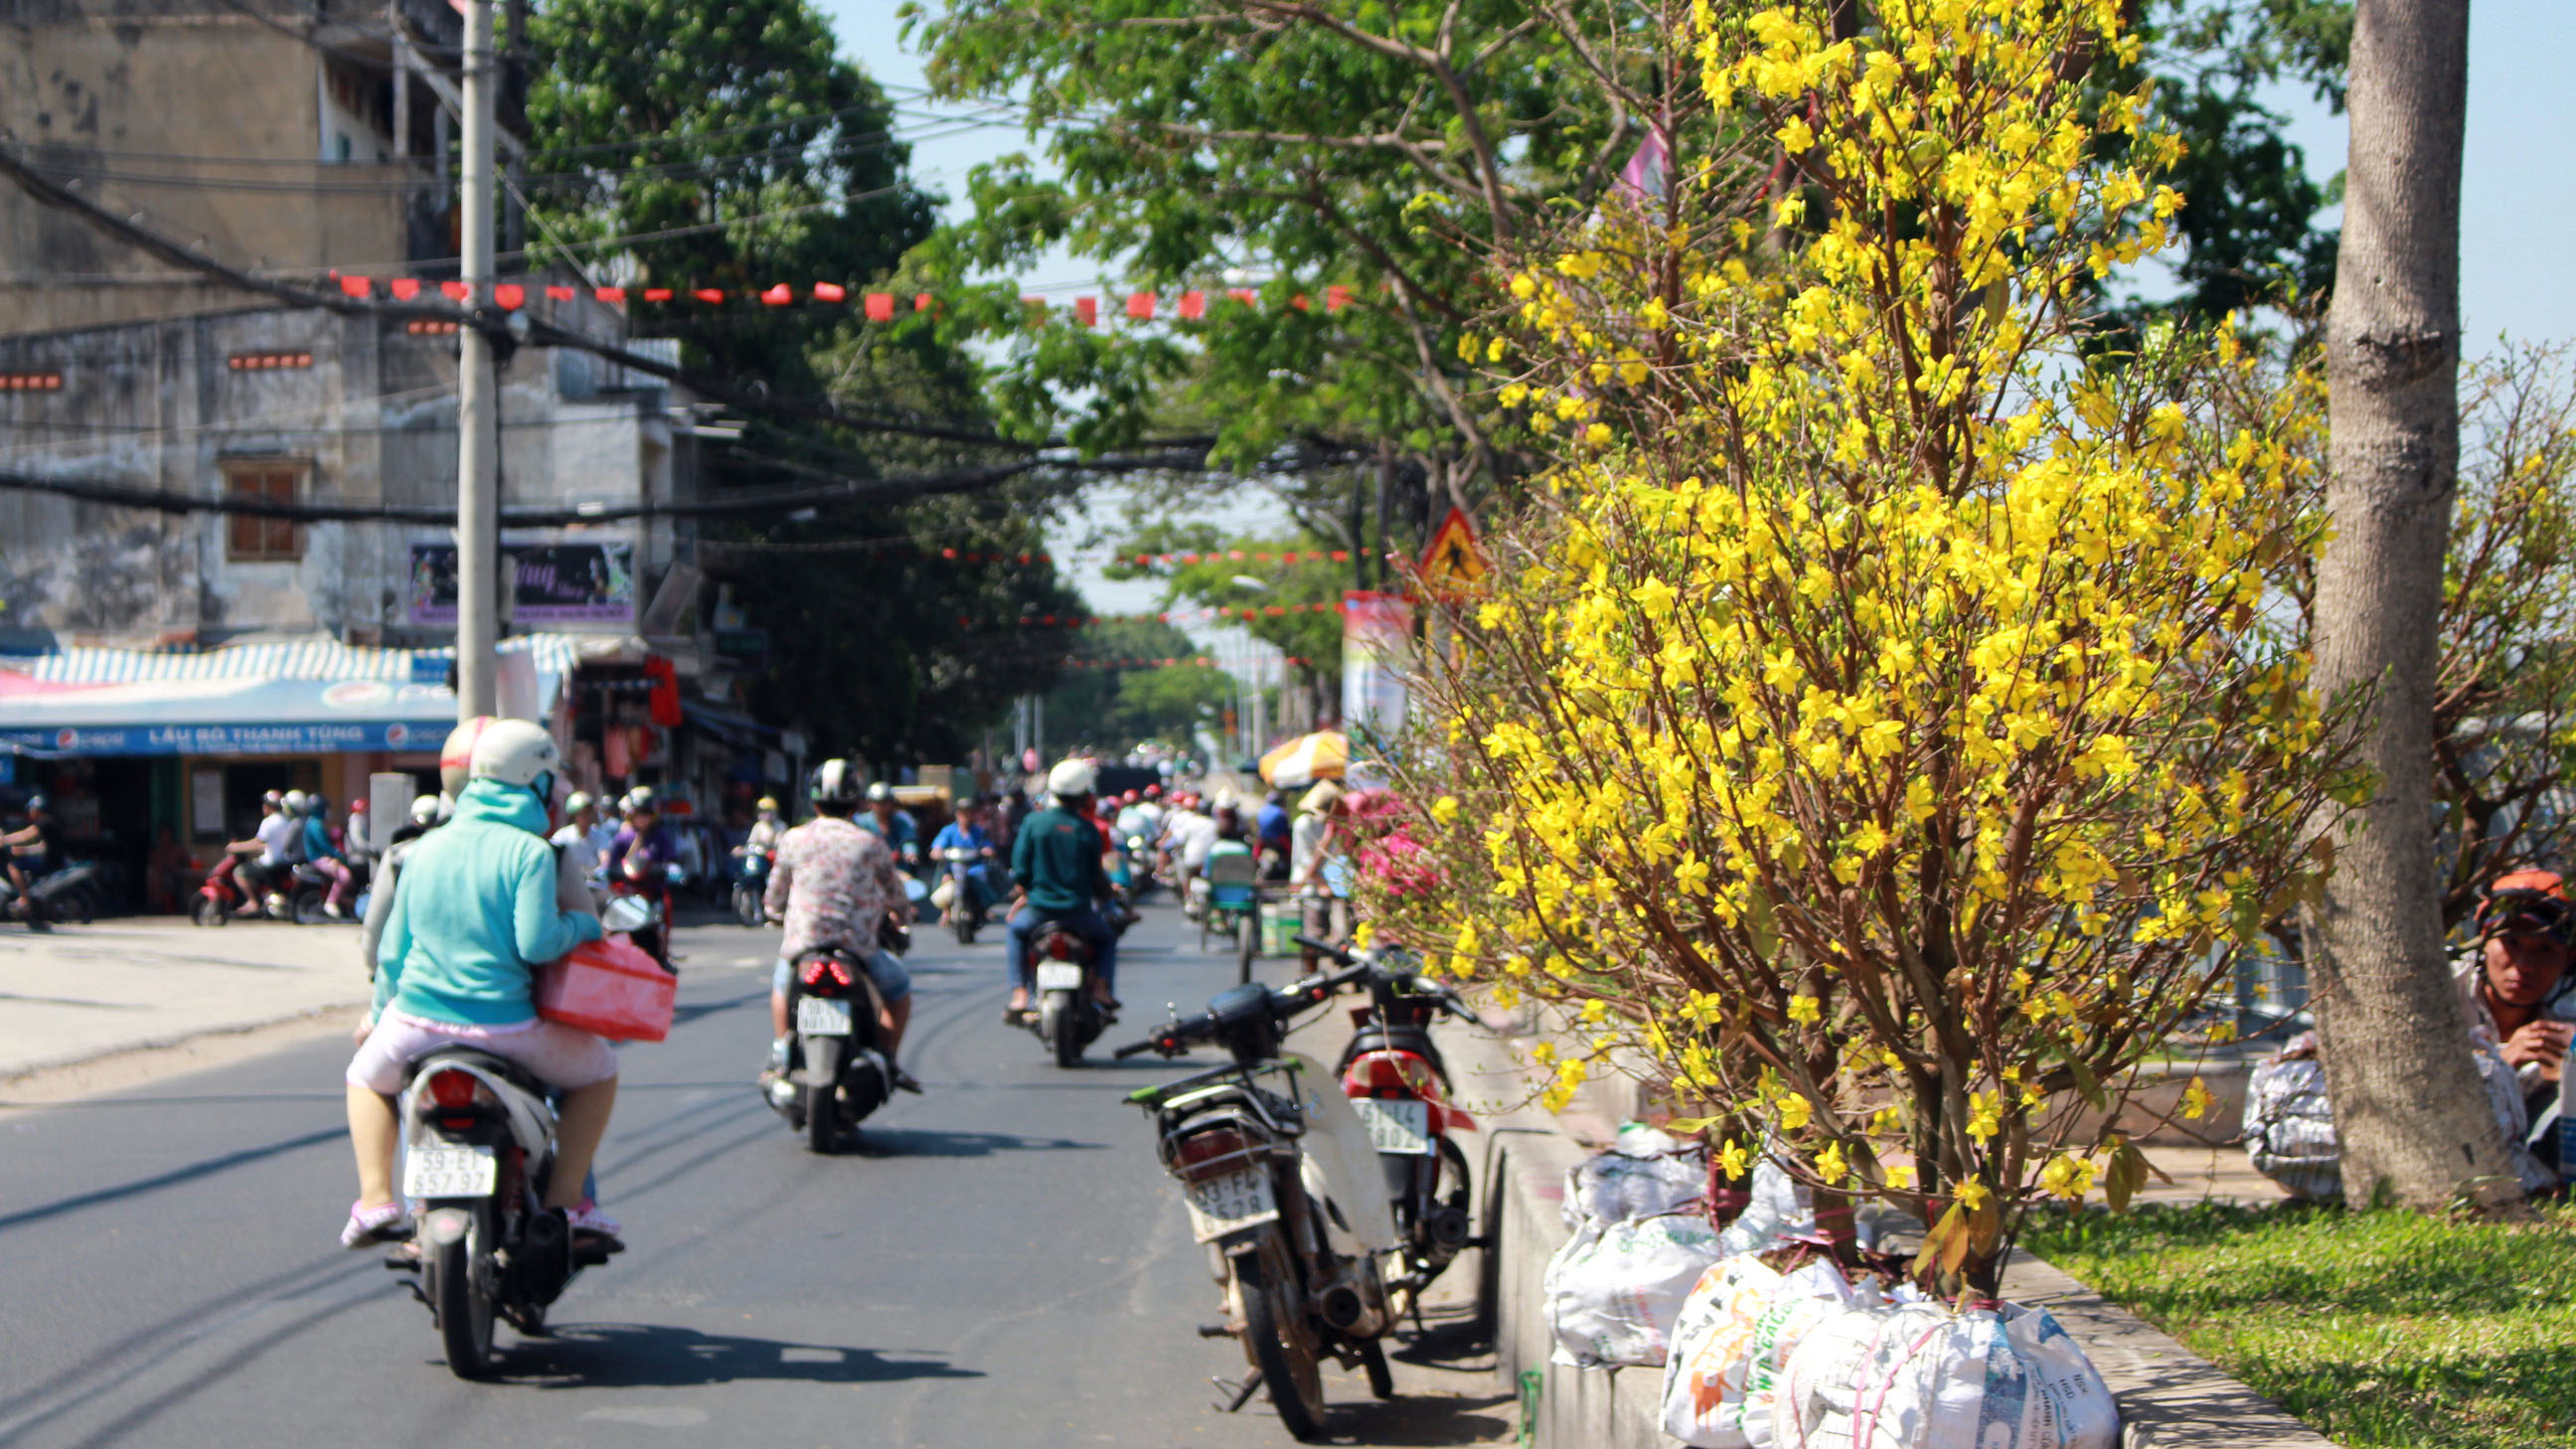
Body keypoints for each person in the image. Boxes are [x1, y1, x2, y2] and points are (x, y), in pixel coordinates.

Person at [340, 720, 617, 1249]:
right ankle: (568, 1205)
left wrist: (378, 1020)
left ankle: (375, 1201)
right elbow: (537, 945)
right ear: (534, 783)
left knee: (364, 1078)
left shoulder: (420, 851)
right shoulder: (531, 852)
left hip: (416, 1025)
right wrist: (583, 925)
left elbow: (392, 955)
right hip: (504, 1029)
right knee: (600, 1073)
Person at [761, 760, 920, 1093]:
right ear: (857, 802)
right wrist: (902, 917)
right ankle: (888, 1057)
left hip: (803, 947)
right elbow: (895, 893)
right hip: (858, 949)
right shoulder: (870, 843)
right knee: (899, 990)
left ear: (814, 800)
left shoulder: (793, 839)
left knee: (780, 985)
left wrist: (774, 912)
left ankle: (780, 1053)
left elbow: (774, 896)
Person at [2461, 871, 2576, 1172]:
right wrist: (2501, 1064)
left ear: (2568, 959)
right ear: (2484, 941)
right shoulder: (2441, 994)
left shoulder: (2567, 1018)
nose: (2523, 966)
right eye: (2511, 942)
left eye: (2545, 949)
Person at [1007, 758, 1121, 1019]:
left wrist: (1024, 890)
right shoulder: (1088, 829)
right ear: (1084, 794)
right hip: (1078, 913)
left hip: (1038, 912)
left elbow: (1021, 868)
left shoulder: (1034, 823)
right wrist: (1108, 895)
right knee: (1107, 939)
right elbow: (1096, 876)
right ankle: (1101, 989)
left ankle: (1019, 994)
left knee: (1015, 932)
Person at [606, 789, 679, 964]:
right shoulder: (623, 838)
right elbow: (611, 864)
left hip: (652, 891)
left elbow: (671, 860)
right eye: (639, 813)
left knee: (665, 905)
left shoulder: (660, 837)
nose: (642, 817)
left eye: (646, 813)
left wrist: (671, 869)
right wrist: (611, 872)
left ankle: (663, 951)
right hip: (627, 892)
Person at [1292, 780, 1351, 970]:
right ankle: (1311, 974)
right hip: (1310, 882)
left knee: (1346, 931)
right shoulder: (1304, 825)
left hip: (1332, 879)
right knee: (1314, 932)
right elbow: (1308, 859)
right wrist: (1319, 883)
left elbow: (1338, 853)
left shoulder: (1337, 824)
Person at [930, 796, 1001, 919]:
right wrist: (937, 851)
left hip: (974, 867)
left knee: (983, 876)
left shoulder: (978, 831)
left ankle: (984, 907)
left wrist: (988, 850)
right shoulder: (949, 831)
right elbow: (939, 843)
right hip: (953, 866)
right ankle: (946, 911)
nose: (966, 816)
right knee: (944, 877)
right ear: (957, 814)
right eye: (963, 813)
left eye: (969, 813)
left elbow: (987, 845)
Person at [3, 793, 64, 923]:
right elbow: (41, 846)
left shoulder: (44, 822)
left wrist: (4, 840)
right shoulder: (49, 822)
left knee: (13, 866)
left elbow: (26, 835)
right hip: (51, 859)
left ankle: (24, 898)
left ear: (36, 809)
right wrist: (23, 850)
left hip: (49, 861)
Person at [300, 791, 356, 919]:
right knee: (344, 876)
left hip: (322, 858)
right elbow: (324, 845)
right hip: (319, 859)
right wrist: (339, 854)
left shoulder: (314, 823)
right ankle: (331, 902)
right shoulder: (315, 825)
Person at [553, 791, 606, 912]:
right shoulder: (562, 836)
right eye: (582, 813)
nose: (586, 816)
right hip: (571, 886)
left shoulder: (600, 834)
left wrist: (602, 868)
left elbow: (605, 855)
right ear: (574, 815)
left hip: (595, 884)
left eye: (589, 812)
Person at [859, 781, 922, 874]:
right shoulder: (862, 822)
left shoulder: (900, 821)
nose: (883, 807)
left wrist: (910, 853)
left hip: (896, 869)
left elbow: (908, 840)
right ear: (870, 803)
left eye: (886, 802)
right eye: (879, 803)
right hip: (870, 868)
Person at [1256, 788, 1294, 882]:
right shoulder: (1281, 812)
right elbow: (1285, 830)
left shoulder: (1261, 811)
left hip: (1263, 841)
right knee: (1291, 852)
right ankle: (1291, 868)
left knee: (1256, 853)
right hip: (1278, 840)